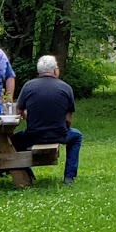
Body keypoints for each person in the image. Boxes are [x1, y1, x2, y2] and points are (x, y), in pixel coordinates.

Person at [13, 54, 82, 185]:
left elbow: (19, 112)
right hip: (59, 134)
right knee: (76, 136)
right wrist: (64, 128)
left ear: (39, 71)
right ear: (55, 70)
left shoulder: (28, 86)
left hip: (33, 135)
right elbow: (69, 116)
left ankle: (27, 173)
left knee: (12, 142)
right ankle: (69, 176)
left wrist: (31, 116)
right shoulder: (65, 87)